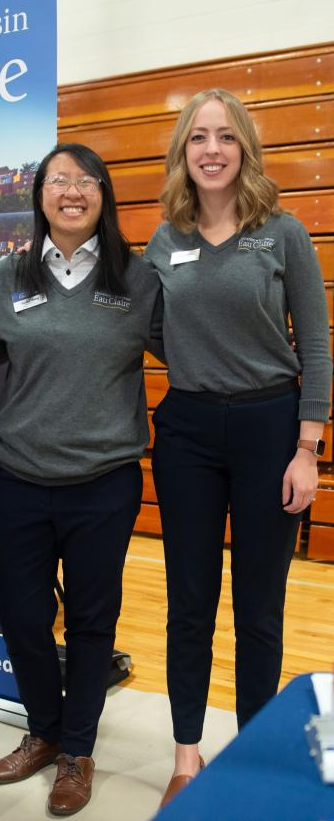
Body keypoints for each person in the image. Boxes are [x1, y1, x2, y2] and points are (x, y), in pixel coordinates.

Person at [145, 88, 332, 806]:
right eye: (199, 138)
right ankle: (187, 757)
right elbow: (154, 330)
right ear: (183, 153)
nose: (212, 149)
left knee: (259, 606)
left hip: (269, 430)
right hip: (188, 431)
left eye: (225, 136)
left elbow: (314, 343)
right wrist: (197, 357)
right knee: (189, 602)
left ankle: (253, 754)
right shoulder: (167, 240)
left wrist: (307, 447)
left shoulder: (281, 233)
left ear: (244, 148)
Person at [0, 143, 163, 816]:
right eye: (59, 180)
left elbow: (191, 349)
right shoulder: (9, 276)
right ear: (40, 197)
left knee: (92, 620)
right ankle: (45, 731)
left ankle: (77, 749)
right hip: (19, 478)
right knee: (24, 619)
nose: (73, 192)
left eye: (87, 181)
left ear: (104, 196)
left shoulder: (137, 280)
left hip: (103, 482)